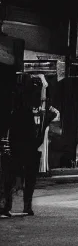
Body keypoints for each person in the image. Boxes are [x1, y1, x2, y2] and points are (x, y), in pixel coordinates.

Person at [1, 84, 58, 217]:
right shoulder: (26, 116)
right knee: (28, 179)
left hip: (17, 151)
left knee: (11, 179)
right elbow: (34, 138)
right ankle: (26, 206)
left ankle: (8, 206)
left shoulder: (14, 114)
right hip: (28, 151)